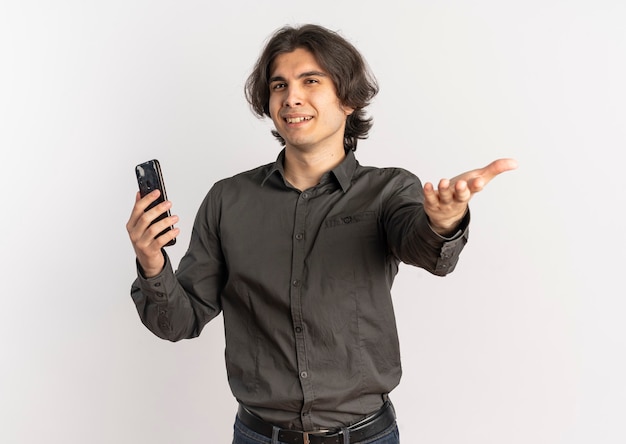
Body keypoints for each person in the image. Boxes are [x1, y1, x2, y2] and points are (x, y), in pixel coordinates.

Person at [126, 24, 517, 444]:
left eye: (310, 80)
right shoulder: (227, 200)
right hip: (260, 436)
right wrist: (152, 263)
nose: (291, 97)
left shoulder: (389, 190)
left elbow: (424, 247)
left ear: (348, 98)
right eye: (279, 85)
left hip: (367, 436)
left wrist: (443, 220)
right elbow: (179, 322)